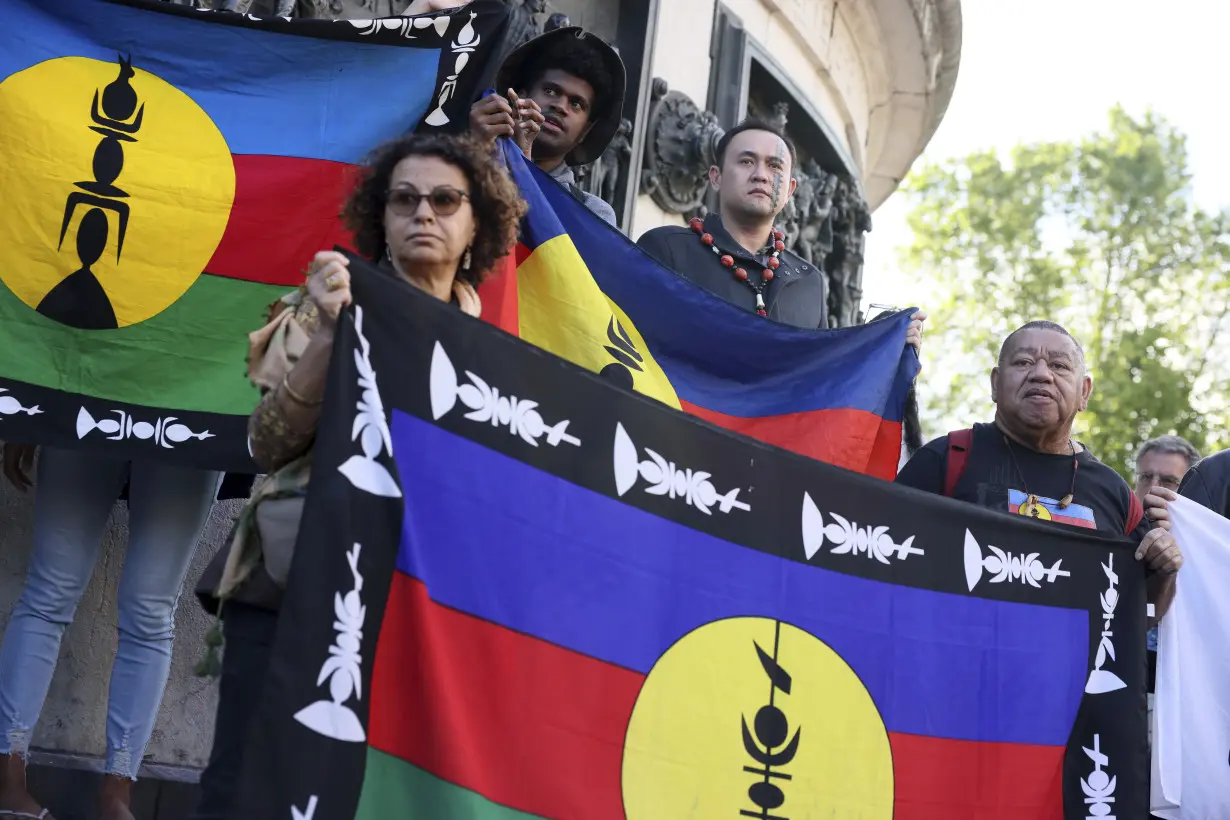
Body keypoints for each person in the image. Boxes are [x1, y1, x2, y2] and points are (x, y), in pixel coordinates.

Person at [188, 132, 525, 819]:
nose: (422, 214)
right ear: (381, 216)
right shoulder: (327, 302)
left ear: (475, 225)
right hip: (290, 583)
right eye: (404, 200)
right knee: (243, 787)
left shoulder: (499, 356)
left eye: (443, 200)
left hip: (413, 614)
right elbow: (266, 444)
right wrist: (331, 335)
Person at [895, 320, 1182, 622]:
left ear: (1084, 391)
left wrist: (1165, 571)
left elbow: (1143, 617)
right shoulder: (946, 458)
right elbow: (879, 559)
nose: (1042, 374)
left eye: (1059, 366)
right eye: (1023, 362)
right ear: (995, 383)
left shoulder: (1115, 493)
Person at [0, 449, 222, 820]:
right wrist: (29, 414)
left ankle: (116, 796)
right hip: (99, 401)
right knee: (52, 594)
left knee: (145, 610)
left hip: (190, 410)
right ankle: (9, 783)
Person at [636, 118, 925, 344]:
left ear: (789, 190)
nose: (761, 174)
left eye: (775, 166)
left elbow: (818, 379)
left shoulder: (809, 282)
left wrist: (882, 342)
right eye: (746, 161)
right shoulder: (666, 250)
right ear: (716, 176)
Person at [469, 26, 625, 226]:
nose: (560, 106)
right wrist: (472, 148)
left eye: (576, 104)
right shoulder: (467, 156)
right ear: (520, 97)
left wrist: (523, 165)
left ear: (586, 131)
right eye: (550, 91)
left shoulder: (593, 215)